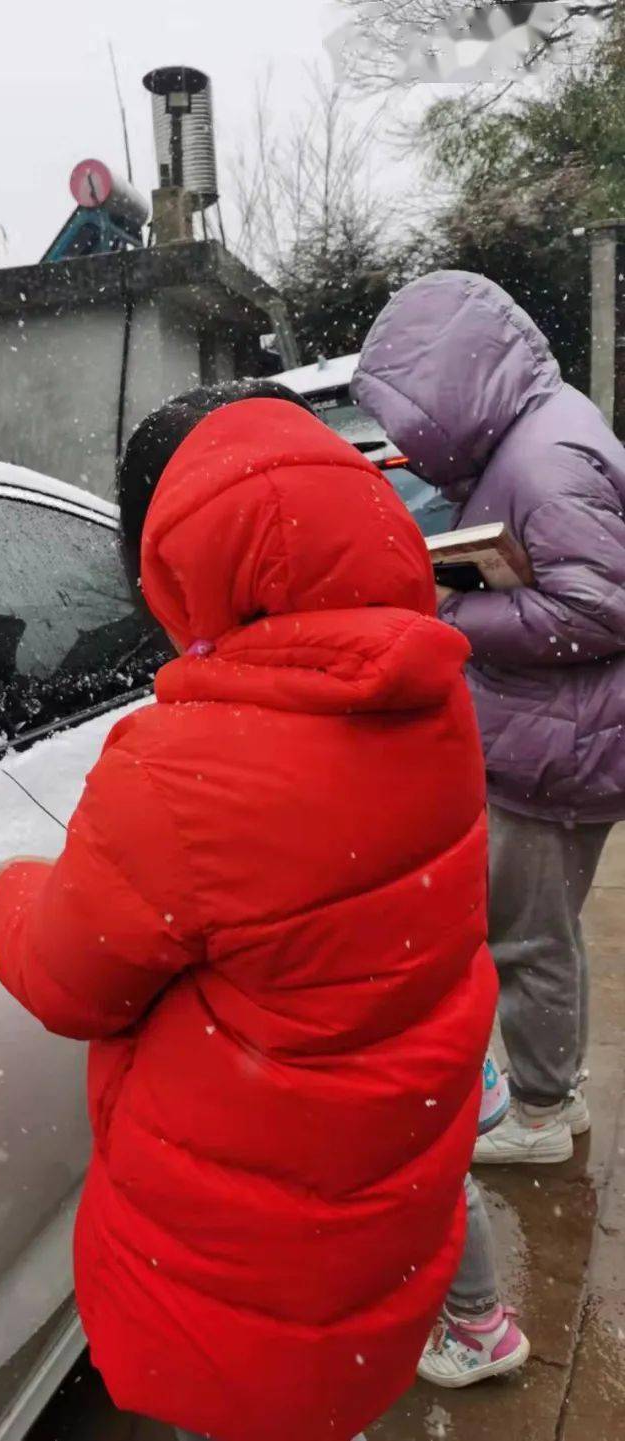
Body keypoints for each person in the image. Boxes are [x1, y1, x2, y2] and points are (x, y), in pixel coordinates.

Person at [0, 379, 499, 1441]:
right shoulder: (430, 697)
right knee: (325, 1394)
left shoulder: (182, 768)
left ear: (180, 560)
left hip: (244, 1261)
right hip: (370, 1204)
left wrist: (9, 892)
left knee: (249, 1404)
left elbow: (71, 978)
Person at [353, 271, 625, 1166]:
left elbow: (597, 611)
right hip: (564, 736)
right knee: (543, 929)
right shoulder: (545, 429)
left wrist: (449, 613)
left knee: (526, 936)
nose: (404, 439)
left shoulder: (542, 457)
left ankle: (542, 1114)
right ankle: (560, 1093)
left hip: (559, 751)